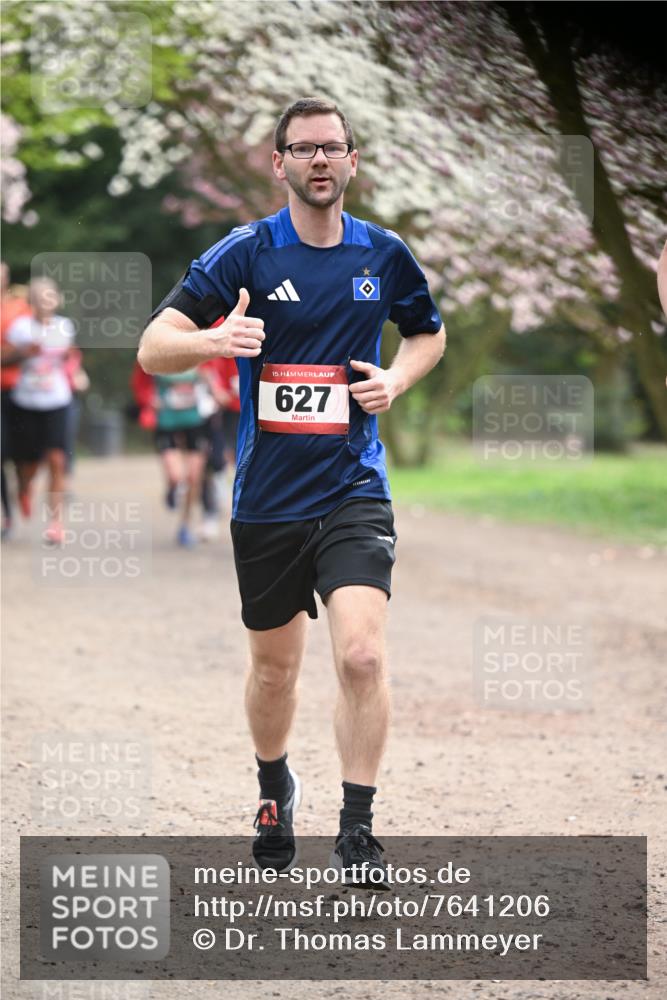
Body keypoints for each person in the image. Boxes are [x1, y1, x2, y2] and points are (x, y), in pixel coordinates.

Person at [138, 98, 446, 885]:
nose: (318, 160)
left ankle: (357, 829)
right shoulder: (243, 253)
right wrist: (212, 339)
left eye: (331, 148)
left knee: (363, 656)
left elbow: (427, 330)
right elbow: (151, 347)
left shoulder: (384, 253)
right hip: (268, 498)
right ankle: (274, 787)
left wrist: (396, 379)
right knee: (275, 671)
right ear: (278, 164)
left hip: (353, 486)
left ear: (351, 161)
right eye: (302, 149)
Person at [5, 276, 76, 544]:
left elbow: (69, 356)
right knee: (29, 466)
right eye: (39, 296)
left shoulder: (64, 326)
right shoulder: (21, 328)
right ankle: (24, 487)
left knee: (57, 460)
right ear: (32, 301)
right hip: (26, 403)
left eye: (50, 296)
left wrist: (75, 370)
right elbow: (4, 359)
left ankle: (56, 524)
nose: (45, 301)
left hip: (57, 401)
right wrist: (24, 353)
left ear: (57, 299)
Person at [153, 366, 217, 547]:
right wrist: (148, 400)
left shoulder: (202, 350)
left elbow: (213, 375)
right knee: (176, 476)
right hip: (167, 422)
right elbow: (141, 378)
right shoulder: (160, 348)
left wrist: (213, 387)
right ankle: (172, 488)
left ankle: (185, 525)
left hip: (195, 422)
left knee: (193, 478)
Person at [0, 263, 32, 538]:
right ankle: (6, 516)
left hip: (21, 391)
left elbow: (29, 348)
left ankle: (24, 487)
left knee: (23, 453)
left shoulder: (19, 306)